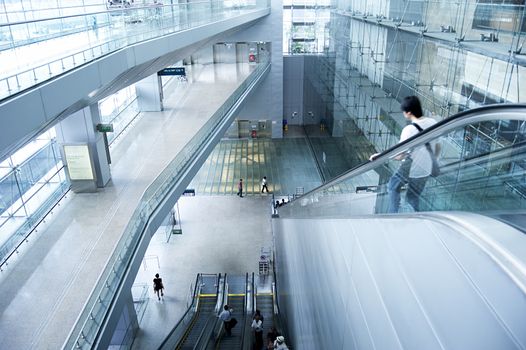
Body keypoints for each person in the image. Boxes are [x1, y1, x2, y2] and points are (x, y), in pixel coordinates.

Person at [385, 96, 439, 213]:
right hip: (426, 168)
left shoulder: (409, 129)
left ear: (409, 112)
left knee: (393, 186)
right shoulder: (433, 122)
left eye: (404, 112)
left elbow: (400, 155)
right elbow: (438, 146)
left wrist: (384, 156)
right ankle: (415, 221)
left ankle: (392, 215)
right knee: (413, 197)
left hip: (412, 167)